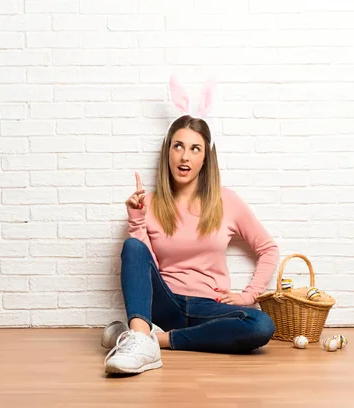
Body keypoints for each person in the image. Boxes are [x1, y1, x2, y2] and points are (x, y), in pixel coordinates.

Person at [102, 114, 280, 375]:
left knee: (260, 325)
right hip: (165, 303)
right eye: (178, 146)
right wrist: (137, 220)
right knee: (132, 246)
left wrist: (248, 295)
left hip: (207, 307)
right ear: (168, 152)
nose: (185, 156)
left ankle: (151, 339)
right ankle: (141, 336)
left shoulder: (226, 201)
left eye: (195, 148)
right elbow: (143, 264)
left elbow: (268, 248)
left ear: (205, 158)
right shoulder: (149, 202)